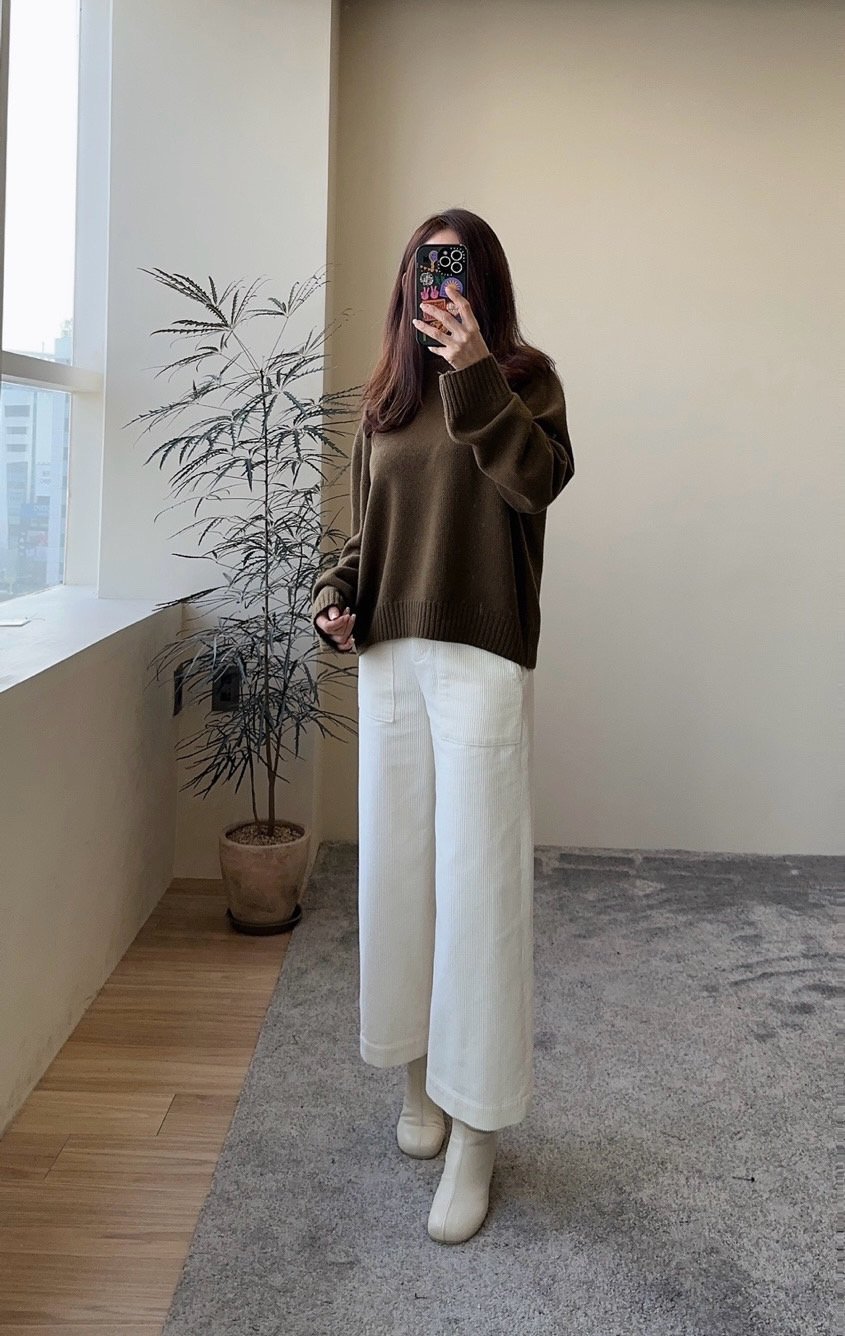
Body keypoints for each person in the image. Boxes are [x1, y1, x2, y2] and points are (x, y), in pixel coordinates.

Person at [311, 207, 575, 1244]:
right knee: (400, 879)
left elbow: (534, 482)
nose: (439, 282)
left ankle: (477, 1129)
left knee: (479, 892)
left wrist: (472, 373)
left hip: (478, 657)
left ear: (482, 282)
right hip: (388, 656)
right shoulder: (385, 398)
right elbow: (365, 536)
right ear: (407, 282)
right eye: (426, 267)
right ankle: (417, 1079)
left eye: (453, 267)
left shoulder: (523, 380)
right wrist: (334, 599)